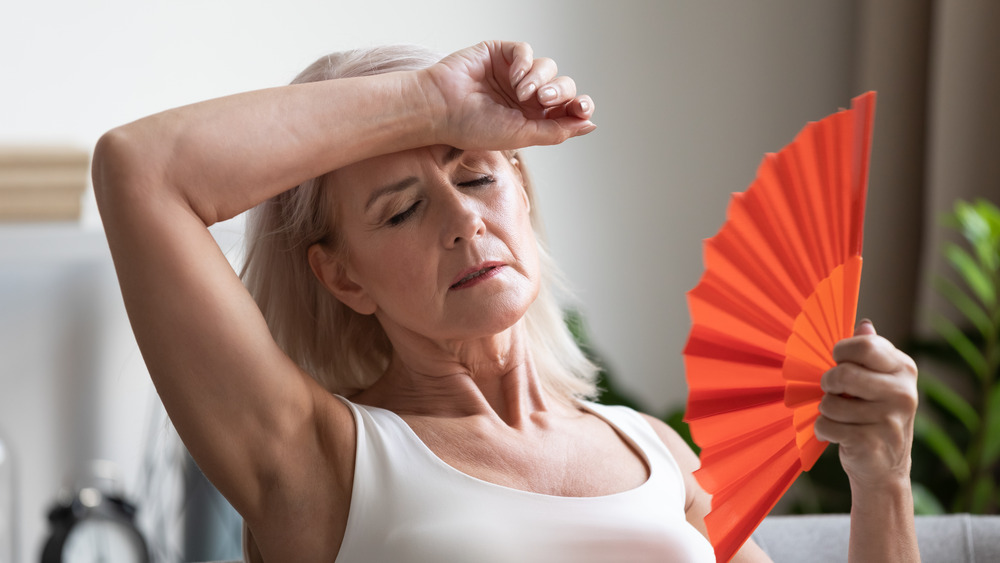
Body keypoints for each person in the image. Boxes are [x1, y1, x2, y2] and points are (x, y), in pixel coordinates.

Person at [92, 40, 920, 562]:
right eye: (402, 208)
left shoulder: (654, 452)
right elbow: (142, 170)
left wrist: (881, 479)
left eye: (478, 173)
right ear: (343, 277)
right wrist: (431, 104)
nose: (462, 221)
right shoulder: (322, 463)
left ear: (519, 193)